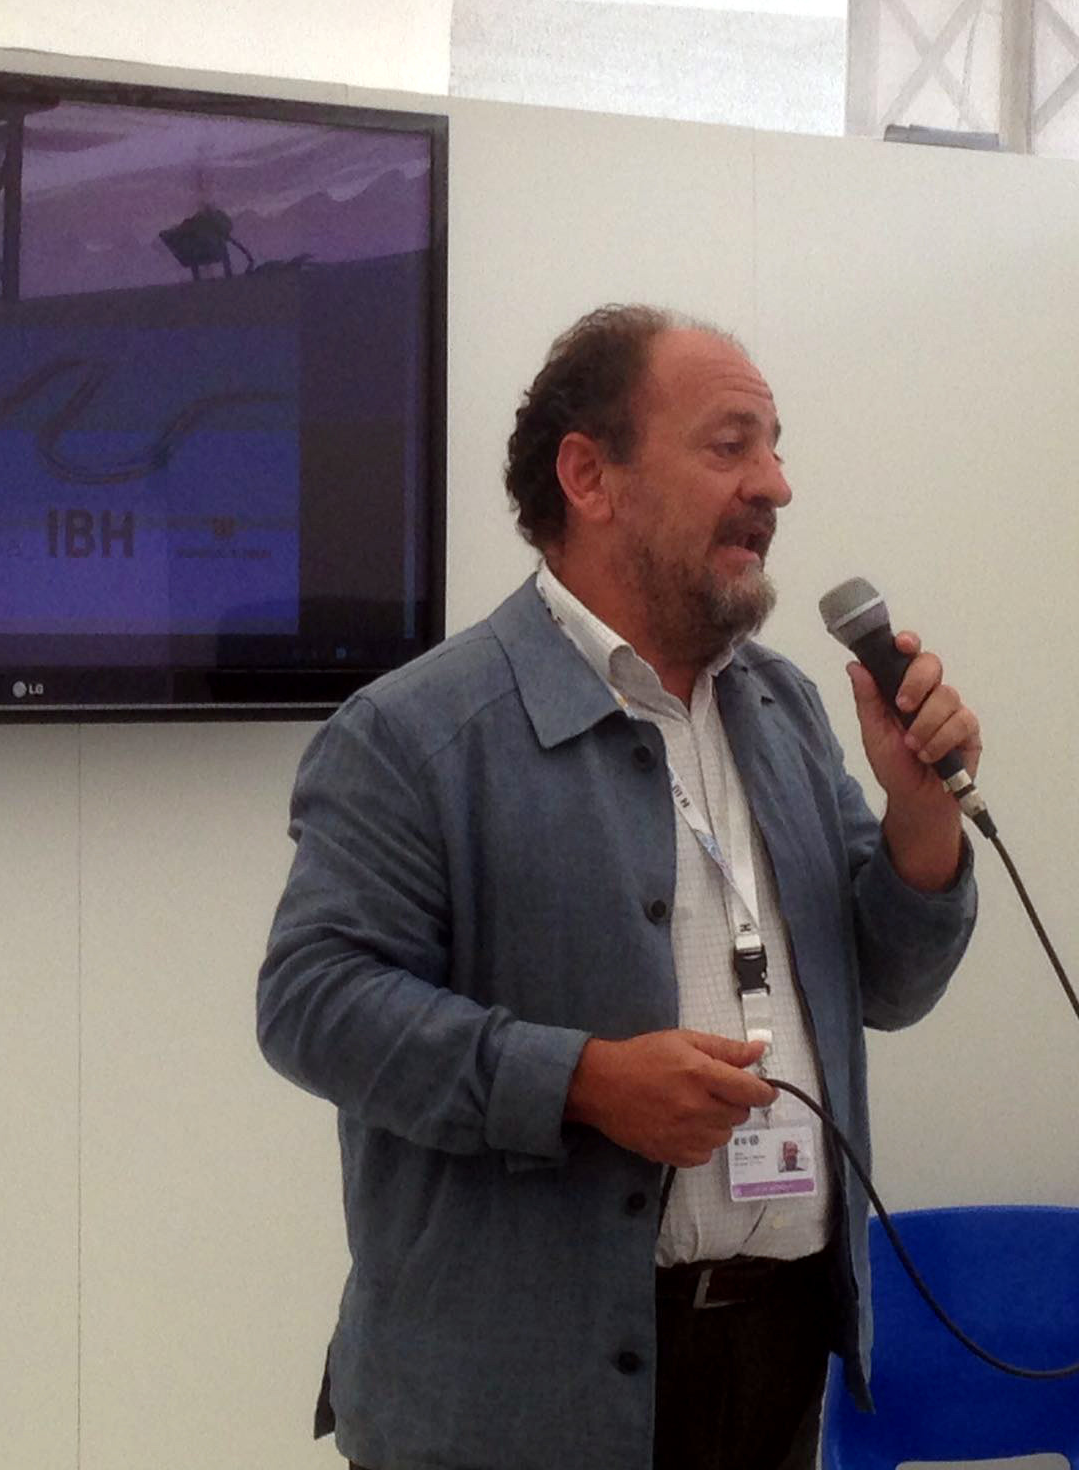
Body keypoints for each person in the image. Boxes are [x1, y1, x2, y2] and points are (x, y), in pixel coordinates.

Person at [256, 305, 979, 1470]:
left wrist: (920, 813)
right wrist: (581, 1082)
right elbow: (313, 1005)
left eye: (774, 447)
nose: (776, 484)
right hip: (512, 1399)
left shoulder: (784, 709)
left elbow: (890, 985)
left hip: (776, 1365)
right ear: (589, 476)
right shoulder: (415, 731)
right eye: (730, 445)